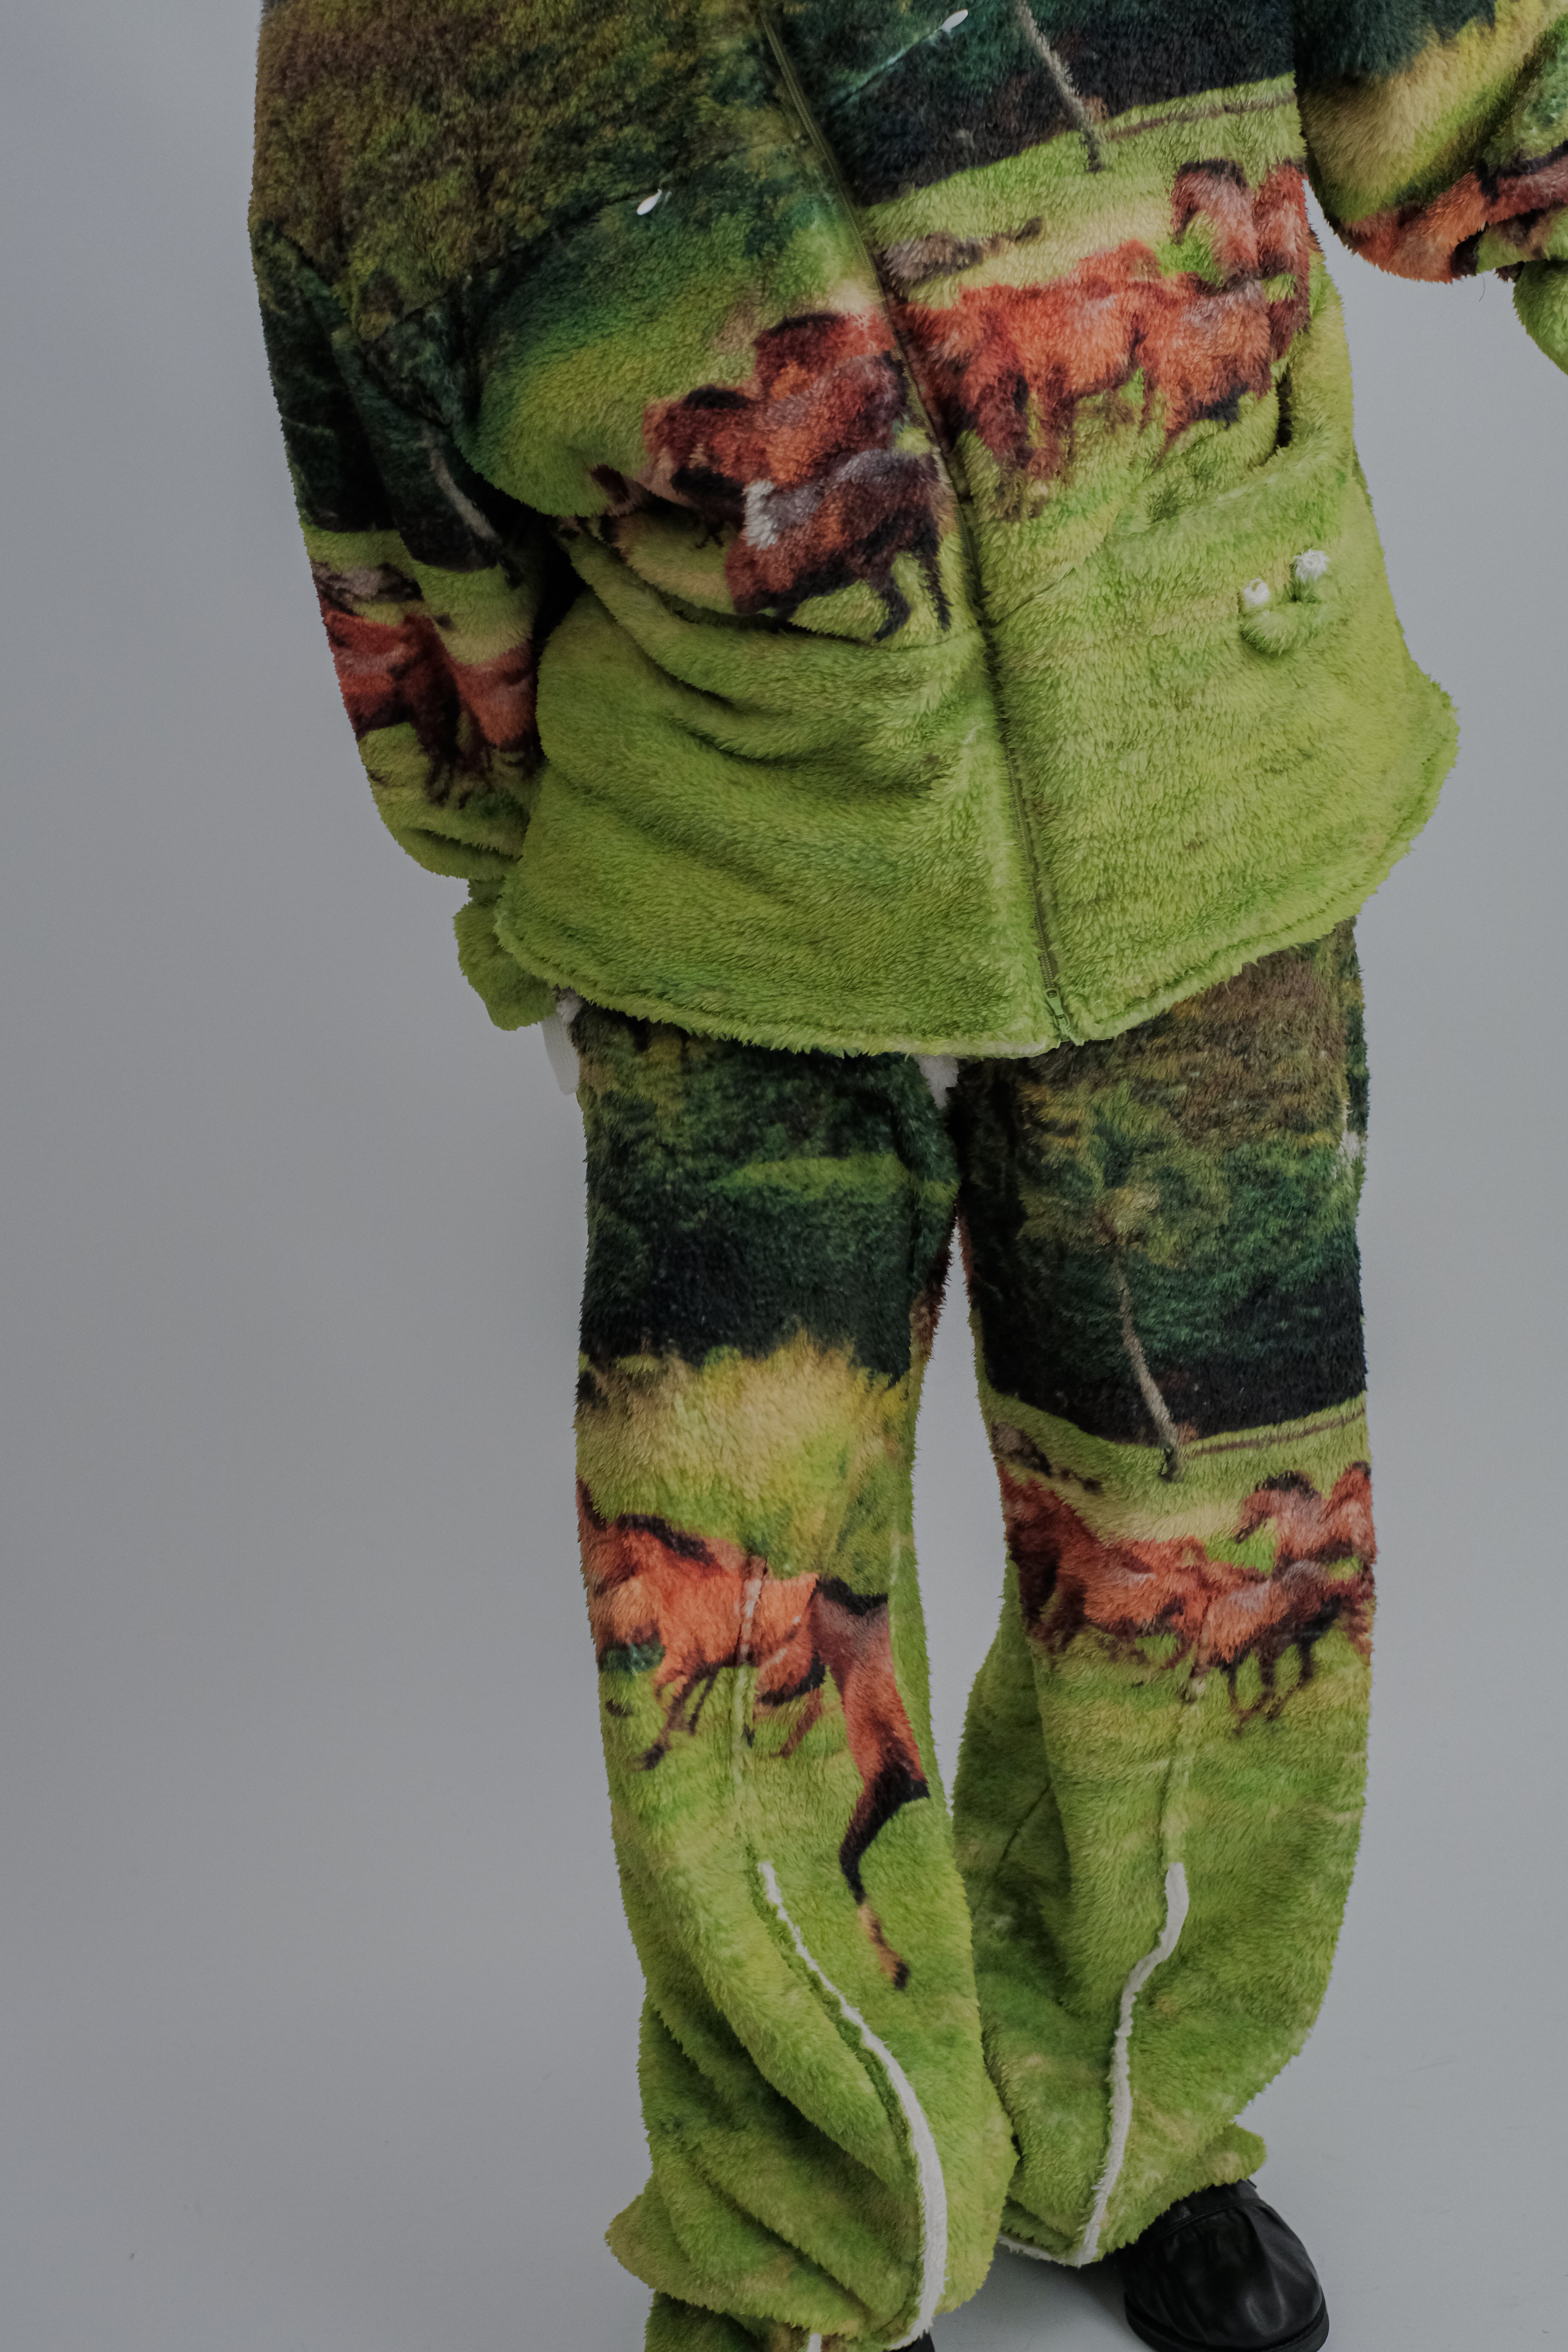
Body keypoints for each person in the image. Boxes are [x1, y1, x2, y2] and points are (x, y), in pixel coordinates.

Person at [250, 4, 1566, 2347]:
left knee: (1211, 1556)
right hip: (724, 902)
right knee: (733, 1629)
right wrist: (519, 884)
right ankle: (807, 2243)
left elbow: (1468, 86)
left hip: (1216, 808)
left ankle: (1126, 2117)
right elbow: (396, 495)